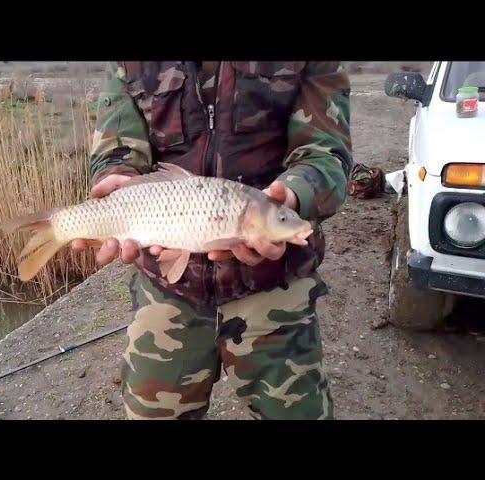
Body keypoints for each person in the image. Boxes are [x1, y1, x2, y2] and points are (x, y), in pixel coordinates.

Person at [71, 61, 352, 420]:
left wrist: (290, 198)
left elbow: (325, 155)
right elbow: (117, 153)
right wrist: (117, 180)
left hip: (276, 284)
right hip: (168, 290)